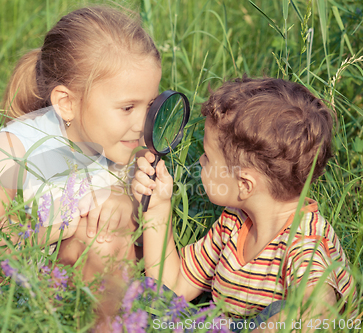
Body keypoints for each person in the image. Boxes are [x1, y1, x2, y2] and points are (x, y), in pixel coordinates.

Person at [132, 76, 356, 331]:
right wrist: (158, 207)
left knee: (286, 311)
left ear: (245, 184)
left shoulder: (305, 243)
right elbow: (171, 285)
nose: (200, 163)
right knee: (142, 294)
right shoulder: (234, 222)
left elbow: (318, 309)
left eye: (207, 157)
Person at [0, 6, 161, 281]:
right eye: (128, 107)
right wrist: (57, 225)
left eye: (151, 104)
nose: (142, 122)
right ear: (67, 103)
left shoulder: (135, 148)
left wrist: (126, 209)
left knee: (105, 236)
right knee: (100, 238)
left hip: (95, 285)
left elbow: (144, 245)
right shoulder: (15, 148)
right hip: (19, 294)